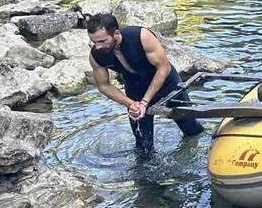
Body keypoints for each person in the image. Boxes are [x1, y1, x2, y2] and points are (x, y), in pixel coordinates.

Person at [87, 14, 203, 156]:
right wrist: (130, 104)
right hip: (135, 88)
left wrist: (145, 101)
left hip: (167, 83)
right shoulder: (96, 55)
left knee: (191, 129)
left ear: (116, 33)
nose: (97, 47)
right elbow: (103, 85)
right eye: (94, 42)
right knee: (143, 146)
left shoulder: (142, 36)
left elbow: (163, 68)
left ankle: (196, 155)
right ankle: (146, 174)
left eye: (102, 41)